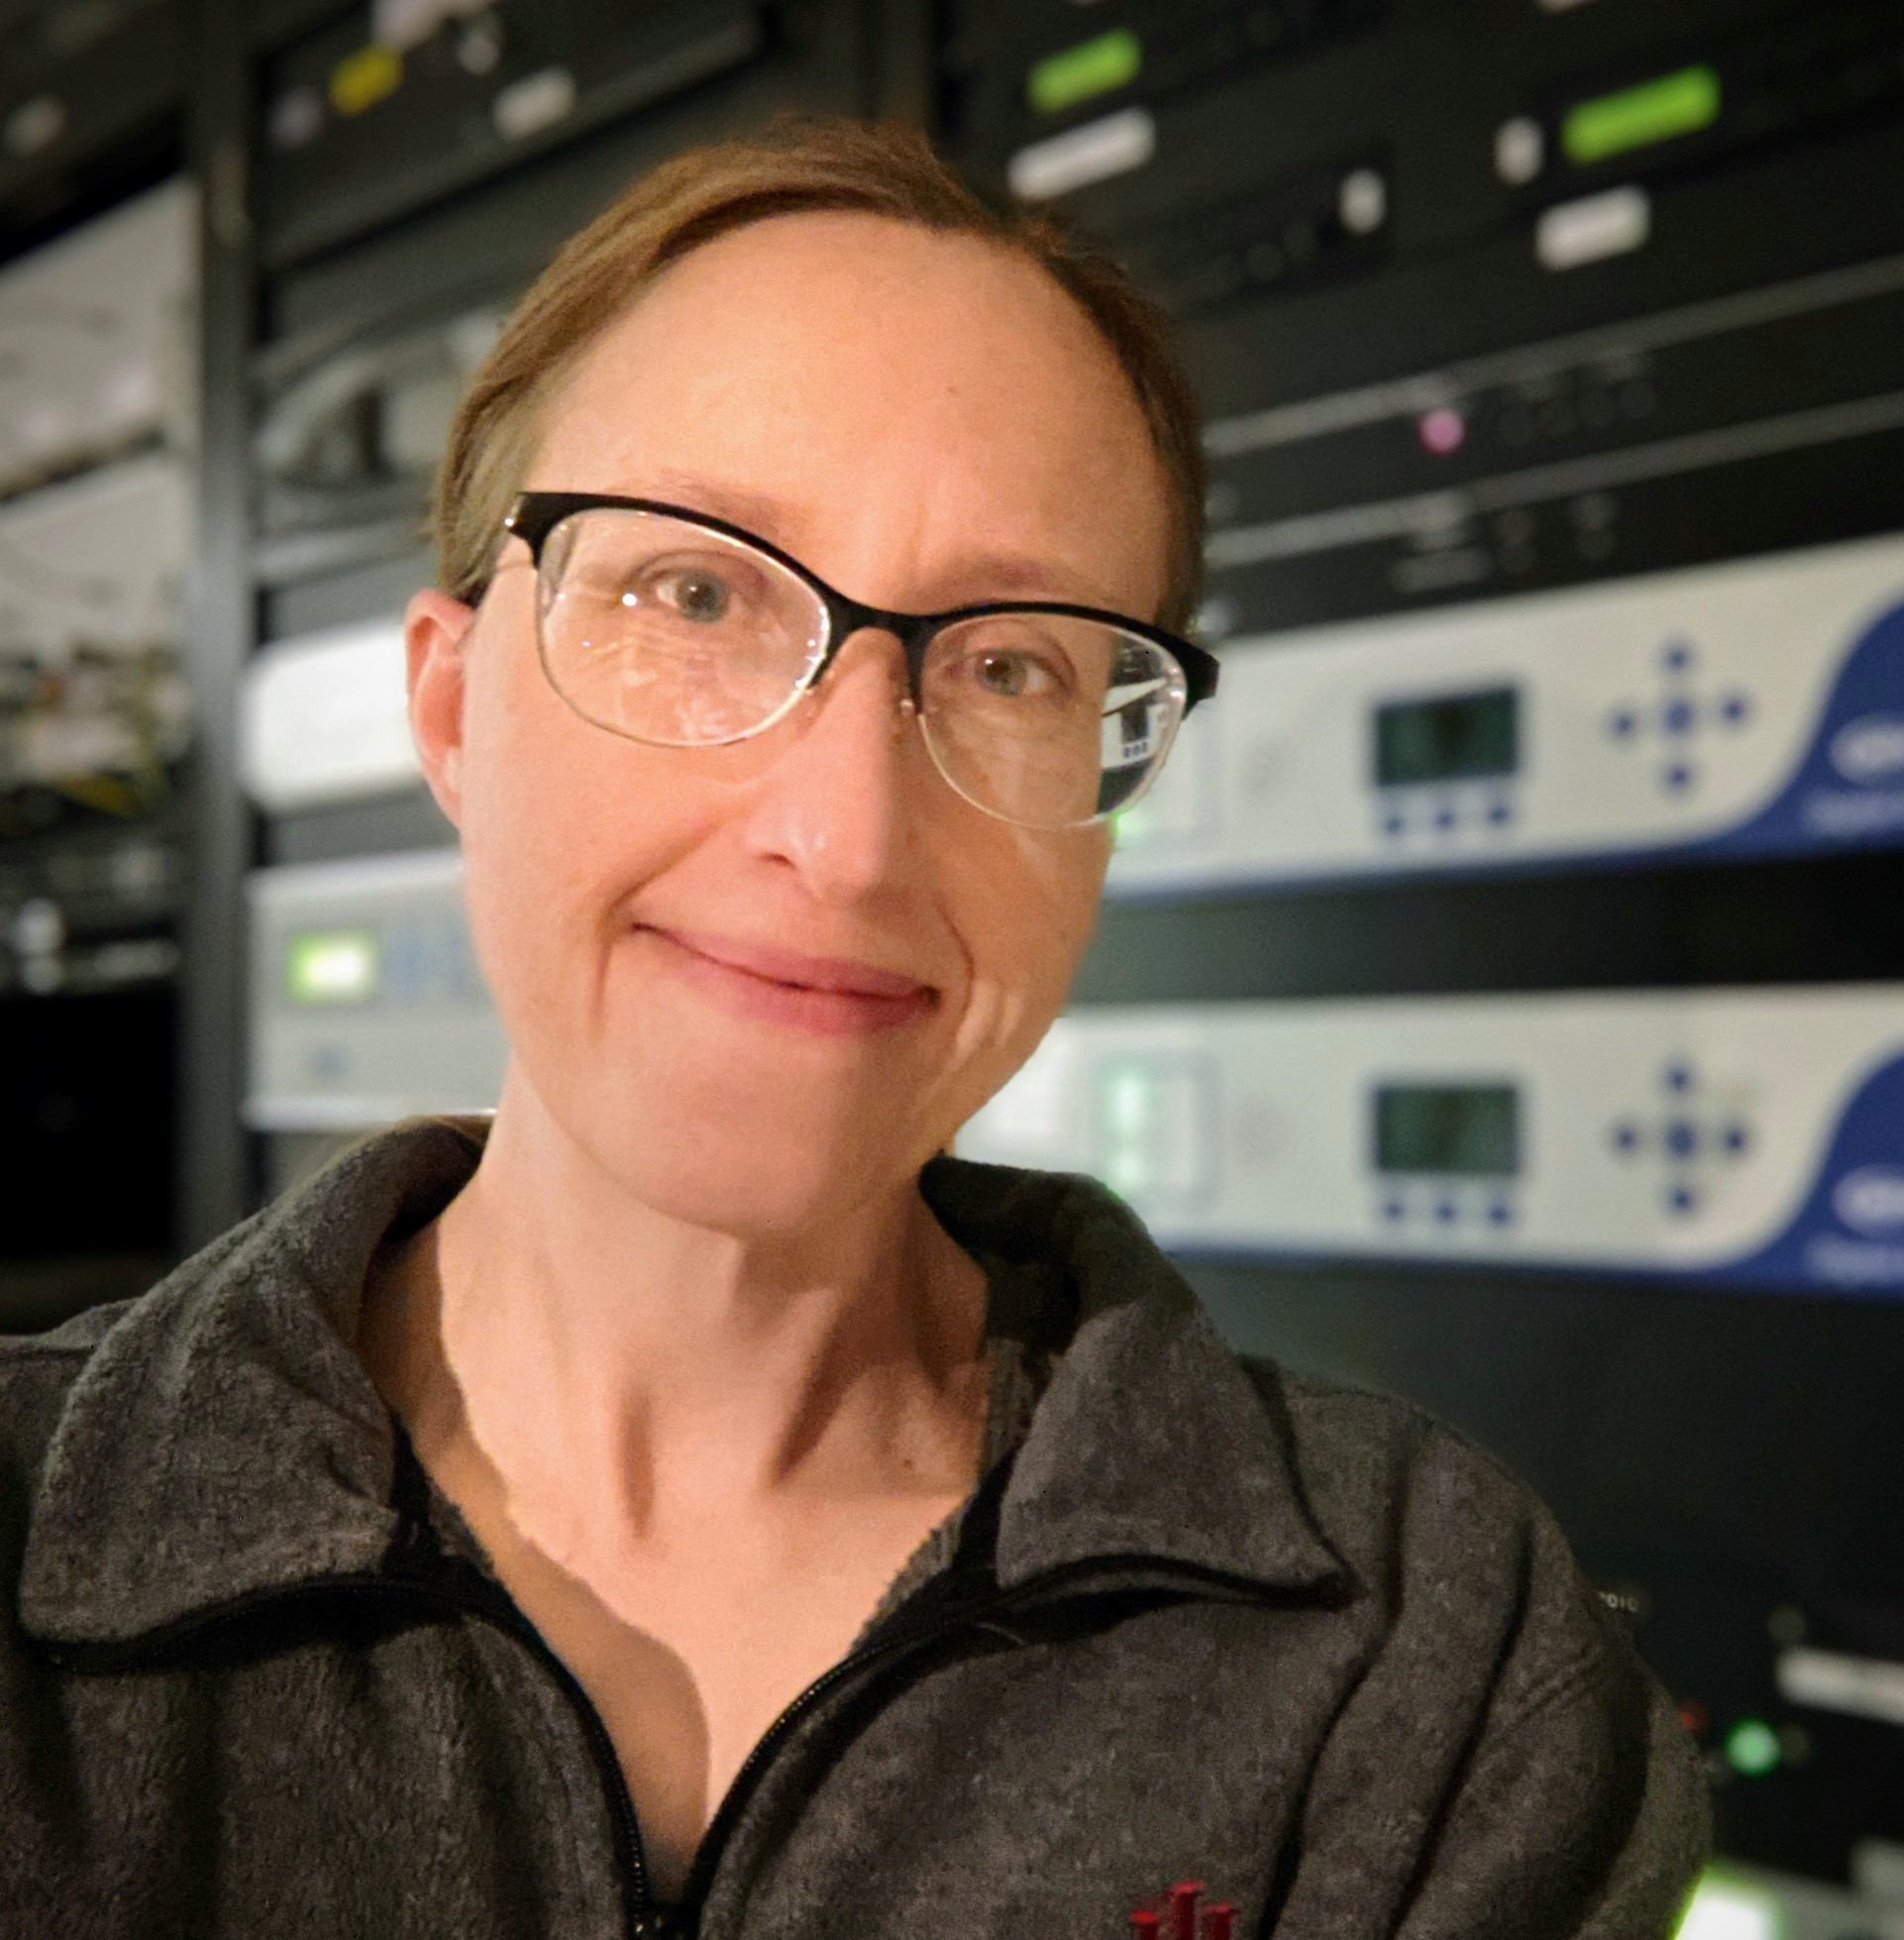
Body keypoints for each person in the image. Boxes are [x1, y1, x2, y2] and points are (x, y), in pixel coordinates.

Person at [0, 118, 1707, 1937]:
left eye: (1012, 664)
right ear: (450, 704)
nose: (847, 836)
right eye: (697, 592)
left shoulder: (1428, 1660)